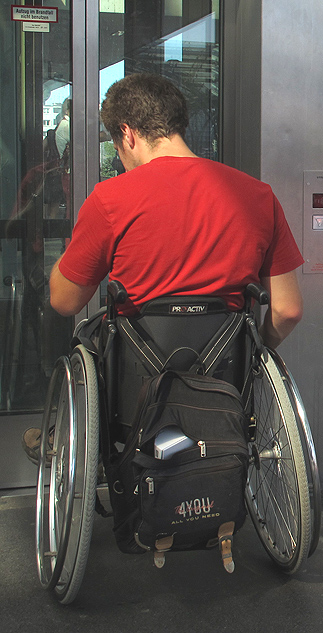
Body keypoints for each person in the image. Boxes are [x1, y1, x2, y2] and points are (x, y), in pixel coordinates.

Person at [23, 73, 304, 463]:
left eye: (116, 146)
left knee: (90, 333)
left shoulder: (111, 199)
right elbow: (289, 310)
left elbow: (64, 300)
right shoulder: (258, 196)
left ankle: (65, 435)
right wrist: (248, 354)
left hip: (135, 397)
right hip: (224, 385)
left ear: (128, 133)